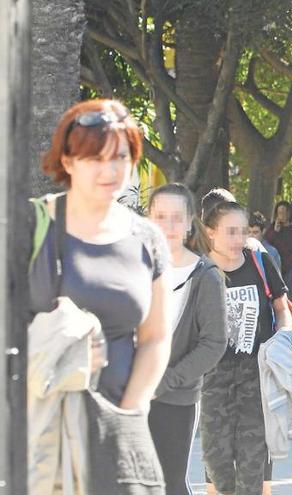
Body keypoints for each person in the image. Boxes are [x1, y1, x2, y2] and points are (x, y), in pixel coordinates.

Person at [29, 99, 171, 493]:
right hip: (41, 426)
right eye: (95, 158)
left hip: (117, 430)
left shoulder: (148, 238)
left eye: (120, 157)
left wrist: (132, 409)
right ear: (68, 162)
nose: (110, 171)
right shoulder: (28, 228)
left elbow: (156, 336)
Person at [201, 201, 292, 495]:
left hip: (256, 377)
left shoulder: (259, 262)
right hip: (213, 379)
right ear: (211, 233)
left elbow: (282, 309)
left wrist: (284, 336)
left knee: (253, 466)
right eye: (230, 232)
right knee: (216, 466)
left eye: (242, 231)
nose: (238, 239)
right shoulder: (199, 270)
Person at [147, 184, 228, 495]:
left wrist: (167, 380)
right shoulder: (133, 267)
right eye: (160, 216)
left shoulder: (205, 275)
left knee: (169, 483)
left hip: (175, 397)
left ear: (189, 220)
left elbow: (213, 344)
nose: (168, 226)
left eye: (176, 217)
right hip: (127, 392)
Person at [265, 201, 292, 302]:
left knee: (289, 295)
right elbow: (267, 244)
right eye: (280, 212)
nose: (283, 215)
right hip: (275, 265)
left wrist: (288, 265)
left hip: (289, 266)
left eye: (285, 212)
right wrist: (275, 231)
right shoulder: (272, 228)